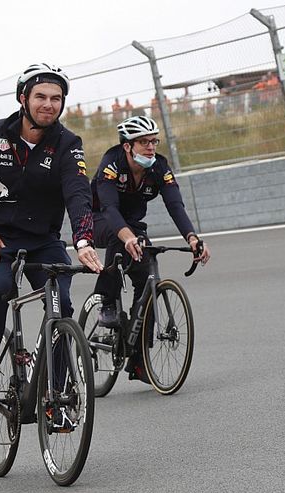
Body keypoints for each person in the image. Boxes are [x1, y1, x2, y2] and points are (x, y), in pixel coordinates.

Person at [0, 63, 103, 419]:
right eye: (41, 97)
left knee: (62, 305)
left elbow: (78, 193)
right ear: (23, 99)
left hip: (43, 240)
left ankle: (60, 397)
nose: (49, 104)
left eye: (56, 98)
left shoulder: (68, 144)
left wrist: (83, 240)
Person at [90, 115, 211, 383]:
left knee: (147, 281)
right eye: (143, 142)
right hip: (99, 219)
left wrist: (192, 238)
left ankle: (139, 360)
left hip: (133, 224)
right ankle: (106, 303)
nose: (151, 147)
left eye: (154, 141)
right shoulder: (112, 164)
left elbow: (175, 205)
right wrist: (127, 236)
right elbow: (109, 209)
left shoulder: (159, 167)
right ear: (127, 146)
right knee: (119, 238)